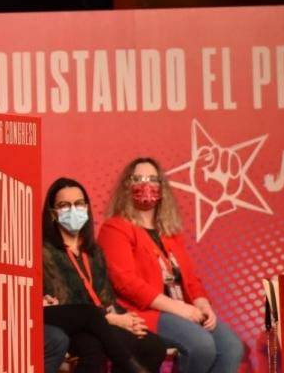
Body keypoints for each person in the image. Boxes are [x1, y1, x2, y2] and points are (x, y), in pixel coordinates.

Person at [98, 158, 245, 373]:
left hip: (182, 310)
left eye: (152, 179)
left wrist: (203, 305)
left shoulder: (169, 233)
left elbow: (191, 279)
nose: (146, 185)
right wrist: (179, 308)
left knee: (231, 347)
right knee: (201, 346)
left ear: (162, 187)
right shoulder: (115, 228)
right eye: (138, 179)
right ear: (126, 186)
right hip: (146, 312)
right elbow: (125, 282)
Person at [41, 178, 163, 373]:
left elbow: (105, 298)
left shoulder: (94, 251)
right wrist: (112, 320)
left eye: (79, 204)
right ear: (53, 214)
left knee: (153, 345)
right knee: (92, 345)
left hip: (98, 323)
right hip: (67, 323)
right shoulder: (43, 251)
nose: (73, 210)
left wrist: (127, 320)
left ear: (87, 209)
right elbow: (62, 303)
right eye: (64, 205)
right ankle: (133, 368)